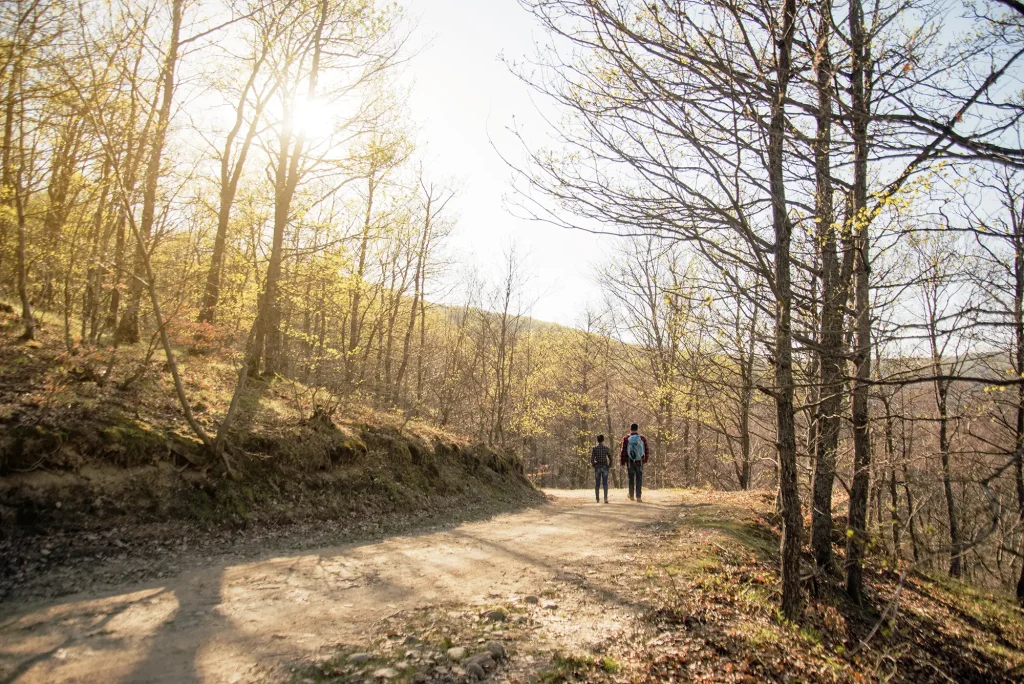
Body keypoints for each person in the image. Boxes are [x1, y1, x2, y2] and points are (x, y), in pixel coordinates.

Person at [620, 423, 649, 502]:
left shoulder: (626, 438)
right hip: (639, 461)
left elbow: (623, 450)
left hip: (630, 461)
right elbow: (646, 450)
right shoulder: (642, 438)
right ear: (637, 429)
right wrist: (645, 459)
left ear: (630, 429)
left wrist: (622, 460)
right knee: (639, 479)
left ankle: (631, 495)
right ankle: (638, 496)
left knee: (631, 478)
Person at [590, 435, 611, 503]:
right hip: (604, 467)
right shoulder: (606, 448)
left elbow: (592, 459)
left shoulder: (594, 448)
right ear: (603, 440)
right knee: (605, 483)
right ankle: (605, 498)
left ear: (597, 440)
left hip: (597, 467)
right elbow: (610, 457)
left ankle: (597, 499)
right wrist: (609, 465)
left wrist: (594, 465)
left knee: (597, 483)